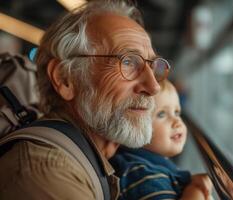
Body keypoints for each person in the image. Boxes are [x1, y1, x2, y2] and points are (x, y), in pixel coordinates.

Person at [0, 0, 171, 199]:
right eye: (128, 62)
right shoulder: (47, 174)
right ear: (65, 79)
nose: (154, 87)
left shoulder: (102, 156)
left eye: (152, 66)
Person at [110, 79, 213, 200]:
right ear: (133, 126)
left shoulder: (149, 166)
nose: (177, 122)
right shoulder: (143, 175)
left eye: (177, 112)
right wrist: (196, 189)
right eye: (161, 114)